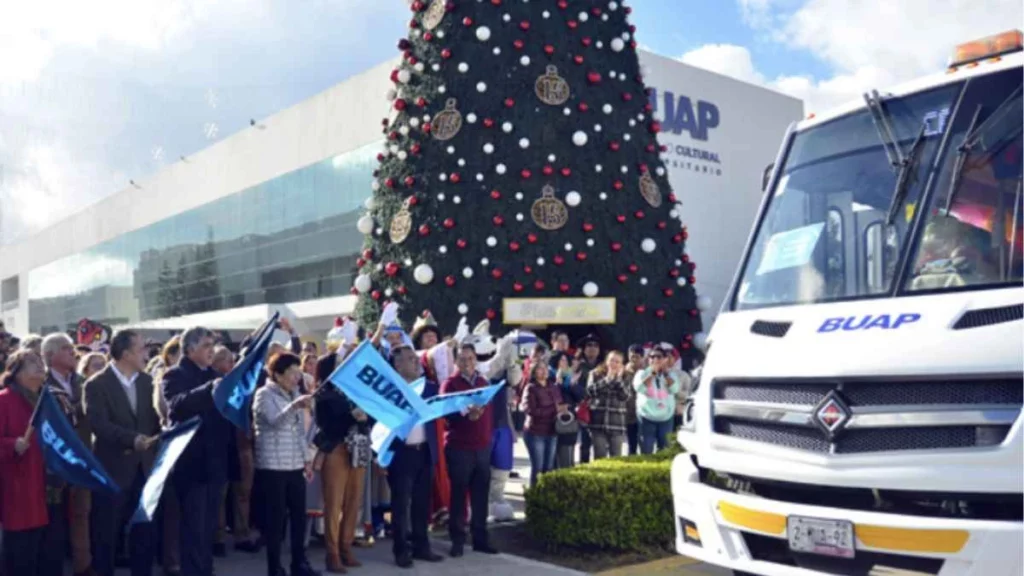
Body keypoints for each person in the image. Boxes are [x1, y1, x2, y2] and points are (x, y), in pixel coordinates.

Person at [85, 330, 161, 576]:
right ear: (126, 354)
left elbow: (155, 423)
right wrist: (132, 439)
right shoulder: (96, 384)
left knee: (144, 534)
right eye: (141, 349)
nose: (147, 354)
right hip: (112, 471)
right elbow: (100, 425)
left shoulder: (148, 382)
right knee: (106, 535)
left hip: (144, 470)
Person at [161, 326, 229, 576]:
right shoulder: (174, 375)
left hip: (216, 462)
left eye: (213, 345)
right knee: (193, 528)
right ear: (189, 349)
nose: (212, 351)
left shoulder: (216, 374)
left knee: (209, 528)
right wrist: (209, 389)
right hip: (192, 463)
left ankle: (205, 570)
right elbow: (176, 406)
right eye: (206, 346)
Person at [252, 352, 319, 576]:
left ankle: (299, 564)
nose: (296, 378)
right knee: (275, 520)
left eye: (297, 373)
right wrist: (295, 406)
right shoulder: (264, 395)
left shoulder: (295, 394)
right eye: (291, 373)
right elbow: (274, 421)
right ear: (277, 374)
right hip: (272, 467)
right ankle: (274, 567)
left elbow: (301, 432)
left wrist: (306, 460)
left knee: (298, 516)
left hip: (294, 466)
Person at [0, 349, 65, 576]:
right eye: (31, 363)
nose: (39, 365)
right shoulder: (4, 399)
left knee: (47, 554)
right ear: (16, 372)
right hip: (18, 489)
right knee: (21, 554)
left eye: (40, 361)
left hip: (47, 488)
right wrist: (11, 445)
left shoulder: (47, 400)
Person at [384, 345, 445, 568]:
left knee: (421, 503)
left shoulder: (429, 387)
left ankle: (422, 547)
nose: (416, 362)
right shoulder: (390, 389)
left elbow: (444, 407)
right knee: (401, 505)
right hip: (401, 455)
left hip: (424, 451)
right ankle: (401, 550)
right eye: (410, 359)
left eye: (416, 358)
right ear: (398, 365)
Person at [42, 332, 95, 576]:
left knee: (81, 513)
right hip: (53, 462)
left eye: (71, 347)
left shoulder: (82, 382)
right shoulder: (40, 383)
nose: (72, 351)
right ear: (50, 355)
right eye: (65, 348)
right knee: (52, 518)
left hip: (82, 457)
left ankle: (82, 567)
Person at [313, 352, 370, 573]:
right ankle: (332, 553)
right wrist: (351, 416)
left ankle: (346, 547)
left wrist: (365, 419)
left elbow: (371, 418)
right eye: (341, 364)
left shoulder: (357, 390)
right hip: (336, 448)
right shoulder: (324, 393)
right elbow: (325, 424)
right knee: (334, 503)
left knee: (354, 500)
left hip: (359, 447)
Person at [440, 344, 498, 557]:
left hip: (482, 448)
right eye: (463, 359)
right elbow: (445, 414)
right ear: (456, 362)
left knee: (481, 496)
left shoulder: (483, 382)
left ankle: (480, 540)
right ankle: (457, 540)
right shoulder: (450, 384)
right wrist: (465, 415)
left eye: (471, 358)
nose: (467, 363)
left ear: (476, 360)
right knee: (458, 496)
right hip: (459, 448)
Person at [633, 344, 685, 454]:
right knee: (646, 450)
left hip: (666, 417)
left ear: (665, 359)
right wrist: (653, 373)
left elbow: (675, 389)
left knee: (665, 450)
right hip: (646, 416)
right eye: (652, 357)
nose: (655, 359)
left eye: (659, 357)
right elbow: (640, 388)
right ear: (648, 359)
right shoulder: (641, 373)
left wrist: (665, 373)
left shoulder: (671, 374)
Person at [521, 360, 564, 487]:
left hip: (552, 430)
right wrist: (553, 409)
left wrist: (563, 409)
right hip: (535, 432)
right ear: (534, 372)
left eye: (545, 368)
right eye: (540, 368)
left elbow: (560, 404)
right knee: (538, 467)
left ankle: (545, 497)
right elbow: (529, 410)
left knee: (549, 467)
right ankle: (534, 496)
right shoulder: (531, 388)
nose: (544, 371)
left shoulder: (554, 386)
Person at [586, 351, 630, 459]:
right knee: (599, 456)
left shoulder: (626, 376)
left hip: (617, 423)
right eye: (611, 360)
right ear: (606, 361)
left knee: (616, 458)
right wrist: (608, 379)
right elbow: (590, 391)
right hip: (598, 422)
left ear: (621, 364)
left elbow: (625, 396)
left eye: (617, 362)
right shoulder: (595, 373)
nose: (614, 364)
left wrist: (618, 380)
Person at [549, 352, 584, 469]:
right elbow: (551, 396)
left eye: (565, 360)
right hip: (552, 420)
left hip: (568, 420)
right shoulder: (549, 375)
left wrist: (573, 384)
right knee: (553, 455)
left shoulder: (571, 376)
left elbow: (580, 397)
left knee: (567, 452)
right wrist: (557, 383)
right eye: (561, 360)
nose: (564, 363)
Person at [573, 334, 603, 464]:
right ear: (584, 349)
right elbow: (574, 385)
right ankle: (583, 465)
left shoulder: (603, 366)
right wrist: (585, 396)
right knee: (585, 442)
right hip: (584, 407)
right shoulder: (578, 365)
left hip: (600, 407)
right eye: (589, 345)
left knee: (600, 443)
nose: (592, 348)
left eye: (596, 345)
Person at [623, 345, 646, 456]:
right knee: (631, 444)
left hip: (644, 411)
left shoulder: (647, 372)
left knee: (645, 443)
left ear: (642, 357)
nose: (634, 360)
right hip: (629, 412)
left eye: (637, 357)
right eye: (631, 356)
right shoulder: (623, 372)